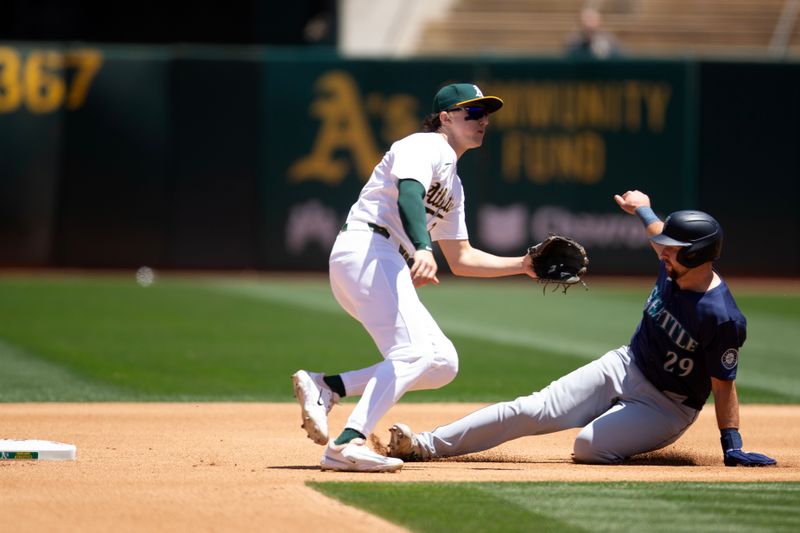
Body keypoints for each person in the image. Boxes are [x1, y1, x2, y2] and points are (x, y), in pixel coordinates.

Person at [387, 190, 778, 468]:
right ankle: (423, 446)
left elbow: (724, 383)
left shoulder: (720, 315)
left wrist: (732, 445)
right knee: (530, 408)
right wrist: (641, 208)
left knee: (589, 446)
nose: (664, 249)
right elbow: (655, 229)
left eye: (674, 247)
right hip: (624, 365)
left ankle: (624, 429)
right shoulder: (673, 260)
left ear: (697, 253)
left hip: (667, 405)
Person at [292, 83, 539, 472]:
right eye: (472, 112)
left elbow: (461, 257)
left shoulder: (454, 184)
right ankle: (347, 444)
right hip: (368, 250)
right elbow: (409, 193)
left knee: (441, 363)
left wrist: (523, 264)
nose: (482, 121)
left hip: (381, 260)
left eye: (485, 114)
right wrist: (423, 248)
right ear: (445, 118)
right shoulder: (426, 146)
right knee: (414, 353)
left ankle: (330, 386)